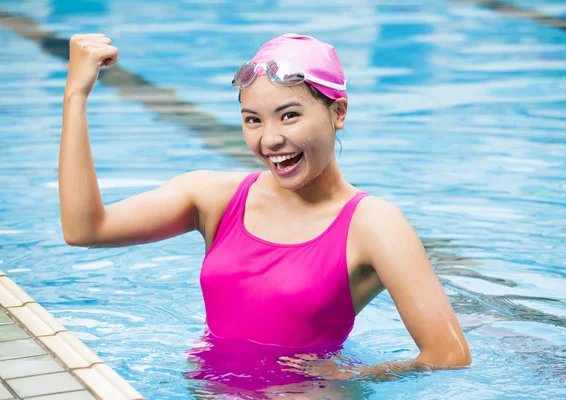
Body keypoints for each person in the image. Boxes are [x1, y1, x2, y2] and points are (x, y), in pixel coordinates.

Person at [59, 33, 471, 391]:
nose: (270, 140)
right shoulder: (214, 198)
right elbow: (85, 229)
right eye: (252, 120)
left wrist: (357, 376)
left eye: (289, 116)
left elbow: (448, 354)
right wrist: (76, 94)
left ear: (338, 113)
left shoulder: (373, 225)